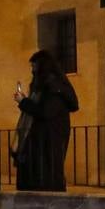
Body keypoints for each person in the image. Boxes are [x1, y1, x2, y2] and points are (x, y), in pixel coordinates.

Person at [14, 49, 79, 192]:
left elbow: (45, 111)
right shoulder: (48, 86)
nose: (32, 70)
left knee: (47, 177)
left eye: (34, 66)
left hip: (47, 142)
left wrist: (23, 101)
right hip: (41, 141)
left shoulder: (54, 87)